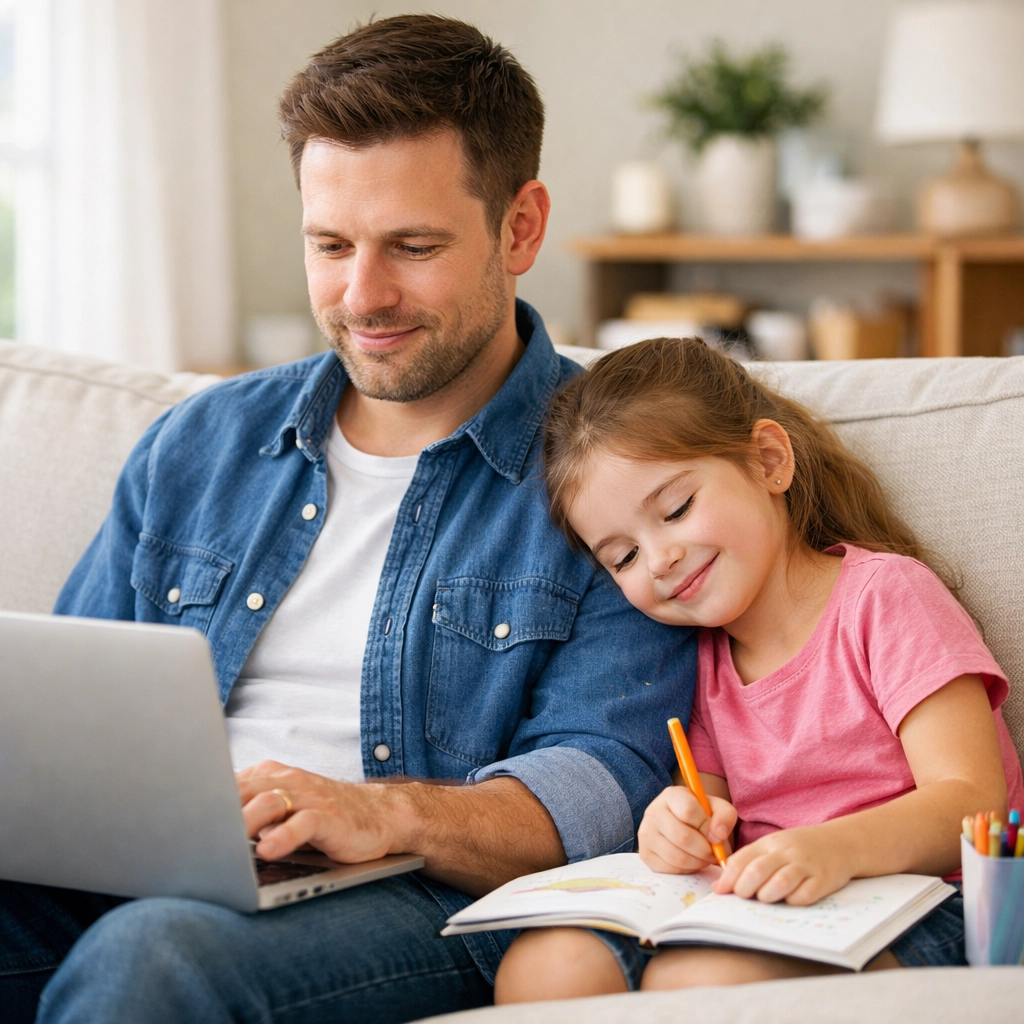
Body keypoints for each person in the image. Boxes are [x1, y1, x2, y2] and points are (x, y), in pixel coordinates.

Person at [0, 17, 696, 1024]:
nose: (361, 296)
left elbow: (605, 783)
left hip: (425, 901)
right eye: (330, 245)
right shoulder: (200, 445)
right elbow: (57, 722)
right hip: (155, 875)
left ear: (521, 227)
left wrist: (377, 812)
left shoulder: (613, 470)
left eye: (412, 246)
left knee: (155, 959)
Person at [494, 337, 1024, 1002]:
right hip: (766, 910)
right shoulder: (707, 657)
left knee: (702, 980)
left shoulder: (884, 598)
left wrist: (834, 850)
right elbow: (710, 800)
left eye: (677, 509)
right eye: (623, 556)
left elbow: (971, 799)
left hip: (933, 904)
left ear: (769, 461)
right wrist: (678, 821)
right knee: (548, 964)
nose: (659, 559)